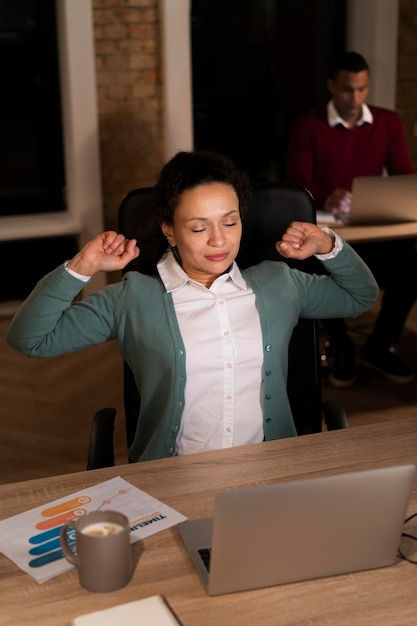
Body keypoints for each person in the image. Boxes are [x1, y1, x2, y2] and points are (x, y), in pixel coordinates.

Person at [6, 150, 378, 463]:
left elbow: (361, 296)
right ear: (169, 229)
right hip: (170, 482)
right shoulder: (133, 298)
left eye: (230, 223)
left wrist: (329, 244)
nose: (219, 240)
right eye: (199, 228)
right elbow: (30, 339)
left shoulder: (279, 284)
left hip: (271, 473)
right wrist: (81, 267)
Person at [286, 50, 417, 387]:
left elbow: (404, 175)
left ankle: (380, 344)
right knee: (316, 268)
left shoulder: (387, 122)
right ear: (331, 86)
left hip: (370, 226)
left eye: (362, 89)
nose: (355, 98)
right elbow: (296, 181)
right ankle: (340, 340)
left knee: (411, 267)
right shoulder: (308, 125)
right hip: (328, 231)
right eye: (347, 89)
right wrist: (326, 194)